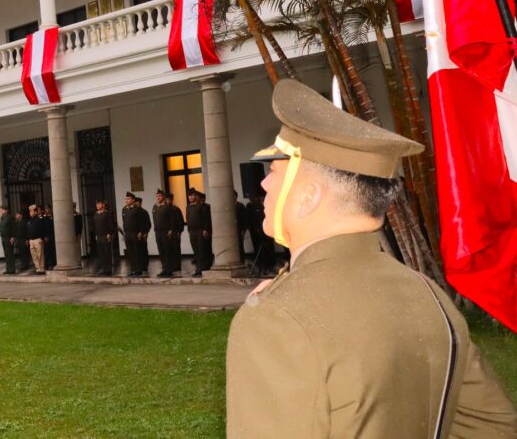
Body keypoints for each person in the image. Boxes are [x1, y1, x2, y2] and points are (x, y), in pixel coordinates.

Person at [226, 79, 517, 437]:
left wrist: (285, 306)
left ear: (307, 196)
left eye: (274, 172)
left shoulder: (276, 320)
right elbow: (495, 426)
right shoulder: (428, 295)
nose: (264, 186)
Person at [152, 190, 182, 277]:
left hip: (166, 232)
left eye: (160, 196)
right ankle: (164, 268)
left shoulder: (168, 206)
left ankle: (169, 269)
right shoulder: (155, 207)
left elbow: (172, 219)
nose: (158, 197)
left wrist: (171, 229)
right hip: (158, 232)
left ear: (163, 197)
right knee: (161, 251)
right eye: (157, 196)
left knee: (168, 250)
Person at [120, 193, 151, 277]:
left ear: (133, 200)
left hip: (135, 233)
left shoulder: (137, 209)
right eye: (126, 199)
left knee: (137, 252)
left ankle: (139, 269)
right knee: (130, 252)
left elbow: (142, 222)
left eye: (128, 199)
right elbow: (124, 222)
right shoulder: (124, 209)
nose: (126, 200)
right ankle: (133, 269)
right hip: (127, 233)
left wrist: (141, 232)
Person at [186, 189, 212, 277]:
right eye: (189, 195)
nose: (191, 197)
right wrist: (189, 230)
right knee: (196, 251)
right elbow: (188, 219)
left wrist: (205, 229)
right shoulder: (188, 207)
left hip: (200, 231)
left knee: (202, 250)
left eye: (192, 195)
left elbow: (206, 219)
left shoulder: (201, 206)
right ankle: (198, 269)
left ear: (196, 197)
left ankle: (203, 269)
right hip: (192, 232)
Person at [91, 200, 117, 276]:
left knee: (107, 253)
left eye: (99, 204)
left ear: (103, 205)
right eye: (97, 204)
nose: (98, 206)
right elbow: (94, 225)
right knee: (101, 253)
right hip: (98, 236)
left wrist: (110, 233)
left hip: (106, 235)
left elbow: (111, 224)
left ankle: (108, 269)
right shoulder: (95, 214)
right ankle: (103, 268)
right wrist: (95, 234)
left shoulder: (107, 213)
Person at [25, 204, 48, 274]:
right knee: (34, 256)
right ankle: (37, 268)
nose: (30, 213)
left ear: (36, 212)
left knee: (40, 255)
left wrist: (42, 238)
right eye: (30, 211)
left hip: (38, 240)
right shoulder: (29, 221)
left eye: (32, 211)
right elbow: (28, 231)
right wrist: (28, 239)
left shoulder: (39, 220)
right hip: (31, 240)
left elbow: (42, 229)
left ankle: (42, 268)